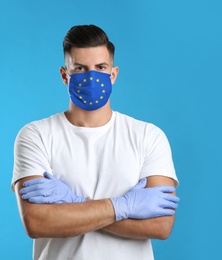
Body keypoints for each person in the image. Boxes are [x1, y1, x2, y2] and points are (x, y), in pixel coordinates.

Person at [11, 24, 180, 260]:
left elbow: (160, 226)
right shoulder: (36, 135)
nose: (91, 77)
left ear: (113, 74)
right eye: (80, 68)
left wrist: (73, 205)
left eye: (100, 67)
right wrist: (124, 207)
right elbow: (37, 222)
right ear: (64, 75)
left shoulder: (148, 136)